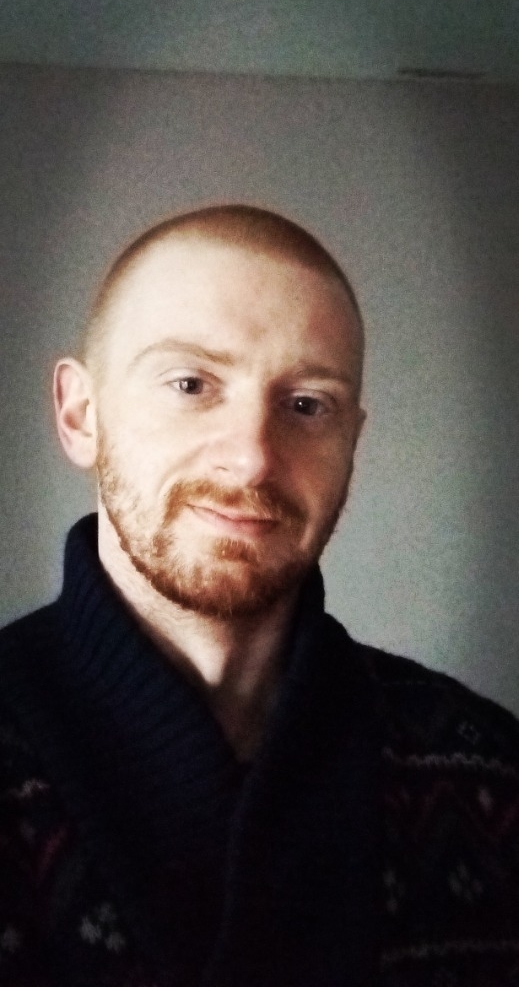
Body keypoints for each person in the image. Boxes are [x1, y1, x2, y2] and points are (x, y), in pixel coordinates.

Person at [1, 204, 518, 987]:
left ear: (351, 442)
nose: (251, 459)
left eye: (307, 404)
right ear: (80, 415)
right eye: (191, 384)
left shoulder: (486, 767)